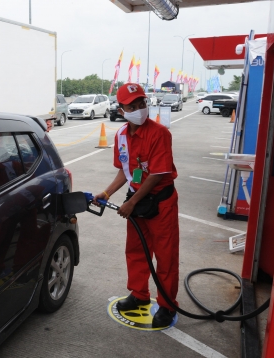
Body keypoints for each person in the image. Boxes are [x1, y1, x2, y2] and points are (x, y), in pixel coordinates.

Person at [93, 83, 179, 328]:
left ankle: (167, 304)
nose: (140, 109)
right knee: (137, 250)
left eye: (142, 103)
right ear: (122, 110)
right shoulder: (121, 136)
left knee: (165, 256)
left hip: (161, 203)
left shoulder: (160, 133)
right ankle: (139, 294)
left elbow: (155, 175)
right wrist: (107, 192)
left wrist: (131, 202)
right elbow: (126, 170)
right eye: (133, 106)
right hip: (137, 200)